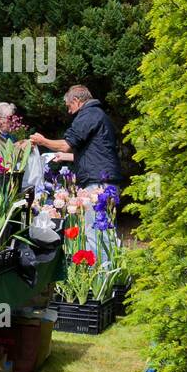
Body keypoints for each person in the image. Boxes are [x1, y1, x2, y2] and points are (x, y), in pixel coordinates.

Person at [30, 84, 124, 259]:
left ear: (76, 101)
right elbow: (95, 154)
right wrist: (64, 157)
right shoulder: (99, 115)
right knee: (104, 230)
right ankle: (111, 271)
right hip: (104, 178)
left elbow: (66, 144)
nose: (69, 111)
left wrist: (43, 141)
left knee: (97, 232)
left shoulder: (88, 115)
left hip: (98, 183)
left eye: (69, 106)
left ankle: (103, 276)